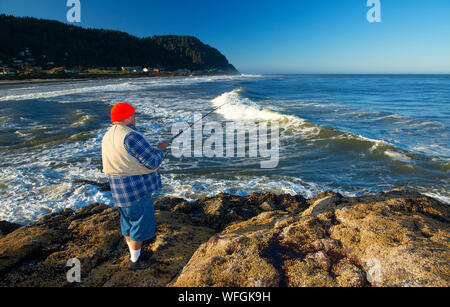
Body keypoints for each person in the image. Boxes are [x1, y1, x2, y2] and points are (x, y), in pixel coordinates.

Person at [101, 102, 169, 270]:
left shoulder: (108, 134)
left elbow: (126, 156)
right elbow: (153, 163)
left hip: (118, 189)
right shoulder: (131, 136)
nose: (135, 118)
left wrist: (150, 151)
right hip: (136, 190)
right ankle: (135, 261)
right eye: (133, 115)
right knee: (140, 223)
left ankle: (134, 253)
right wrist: (161, 149)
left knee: (128, 222)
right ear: (130, 117)